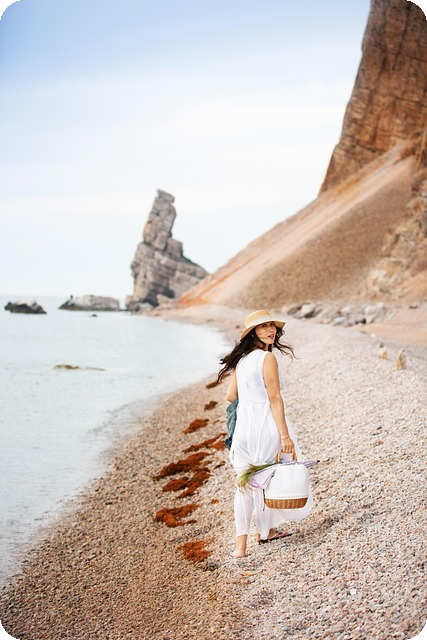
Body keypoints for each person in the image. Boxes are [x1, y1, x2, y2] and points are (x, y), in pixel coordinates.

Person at [218, 309, 313, 558]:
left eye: (272, 326)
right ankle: (265, 530)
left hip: (243, 429)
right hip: (265, 426)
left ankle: (243, 545)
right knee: (267, 479)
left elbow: (230, 396)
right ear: (252, 333)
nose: (270, 330)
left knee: (245, 484)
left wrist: (249, 400)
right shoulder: (267, 358)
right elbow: (274, 398)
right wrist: (285, 436)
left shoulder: (241, 361)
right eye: (263, 326)